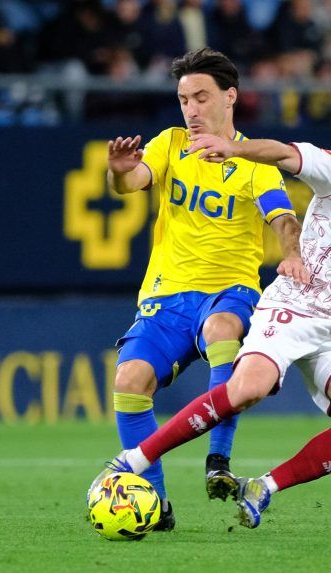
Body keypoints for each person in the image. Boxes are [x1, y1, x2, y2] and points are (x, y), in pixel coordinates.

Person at [102, 98, 331, 529]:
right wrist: (234, 148)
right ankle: (133, 460)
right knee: (248, 388)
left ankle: (264, 487)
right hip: (293, 305)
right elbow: (283, 153)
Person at [102, 47, 307, 531]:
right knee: (129, 380)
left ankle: (219, 460)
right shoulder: (171, 144)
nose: (190, 109)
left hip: (229, 292)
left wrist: (292, 254)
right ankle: (155, 505)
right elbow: (132, 182)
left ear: (230, 97)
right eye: (183, 100)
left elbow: (282, 217)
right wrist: (118, 170)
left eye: (200, 97)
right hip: (166, 297)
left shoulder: (253, 161)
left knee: (221, 330)